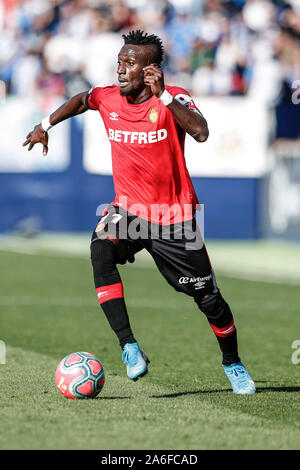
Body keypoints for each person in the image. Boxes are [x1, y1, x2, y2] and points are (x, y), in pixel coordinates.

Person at [23, 30, 256, 394]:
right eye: (119, 61)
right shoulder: (108, 97)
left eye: (129, 64)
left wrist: (163, 95)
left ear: (150, 71)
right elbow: (81, 100)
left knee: (209, 299)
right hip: (128, 211)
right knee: (101, 247)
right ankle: (129, 346)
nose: (120, 70)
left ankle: (233, 363)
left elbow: (201, 132)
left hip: (174, 220)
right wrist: (45, 125)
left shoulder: (174, 98)